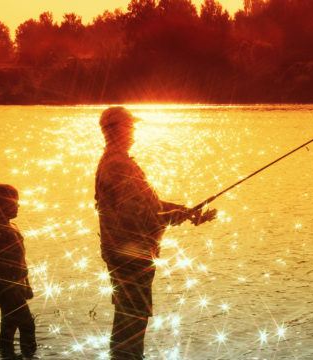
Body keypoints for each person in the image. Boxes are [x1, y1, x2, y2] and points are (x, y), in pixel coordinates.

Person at [95, 106, 216, 359]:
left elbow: (147, 206)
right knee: (133, 318)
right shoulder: (118, 165)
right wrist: (175, 217)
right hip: (130, 254)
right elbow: (137, 215)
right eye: (130, 127)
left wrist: (184, 212)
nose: (134, 132)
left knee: (130, 315)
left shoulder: (117, 162)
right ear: (116, 130)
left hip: (127, 251)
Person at [0, 184, 36, 359]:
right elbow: (6, 266)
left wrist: (26, 284)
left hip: (15, 284)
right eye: (15, 202)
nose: (18, 206)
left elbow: (20, 261)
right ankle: (29, 356)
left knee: (9, 325)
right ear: (2, 205)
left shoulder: (12, 226)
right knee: (27, 324)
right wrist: (15, 289)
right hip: (5, 286)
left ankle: (7, 355)